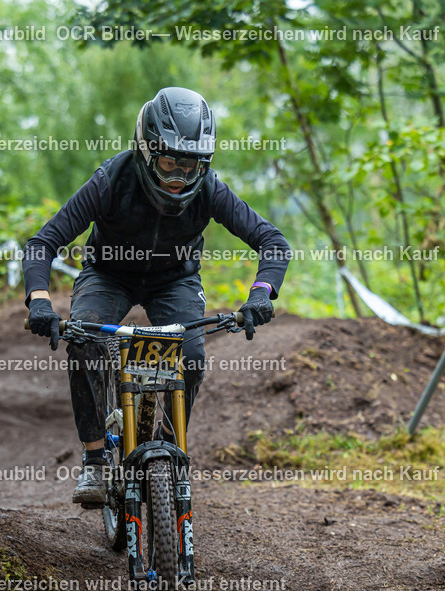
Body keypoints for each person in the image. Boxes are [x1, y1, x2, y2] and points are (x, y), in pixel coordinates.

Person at [23, 86, 290, 505]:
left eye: (192, 166)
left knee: (193, 359)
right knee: (85, 346)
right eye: (169, 163)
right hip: (108, 274)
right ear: (147, 151)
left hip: (174, 280)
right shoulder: (111, 180)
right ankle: (94, 459)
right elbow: (43, 244)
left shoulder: (209, 190)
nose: (180, 178)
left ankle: (166, 451)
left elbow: (272, 241)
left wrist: (261, 292)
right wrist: (39, 300)